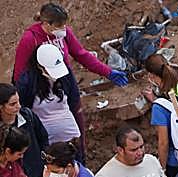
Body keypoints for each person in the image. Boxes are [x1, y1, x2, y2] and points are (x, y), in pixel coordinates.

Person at [11, 3, 129, 158]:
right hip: (40, 88)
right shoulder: (30, 39)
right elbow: (19, 71)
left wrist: (107, 72)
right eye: (59, 25)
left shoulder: (65, 34)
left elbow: (81, 54)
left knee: (76, 116)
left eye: (64, 24)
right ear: (47, 24)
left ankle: (80, 155)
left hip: (64, 80)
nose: (63, 28)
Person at [1, 82, 58, 177]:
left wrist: (47, 164)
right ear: (1, 107)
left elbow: (43, 139)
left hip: (38, 175)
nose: (18, 106)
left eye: (18, 101)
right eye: (12, 104)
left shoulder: (28, 117)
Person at [20, 44, 79, 146]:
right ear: (39, 66)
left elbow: (73, 98)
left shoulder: (66, 75)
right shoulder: (27, 82)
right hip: (45, 138)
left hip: (70, 134)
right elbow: (24, 109)